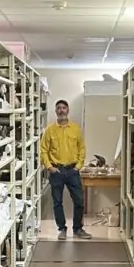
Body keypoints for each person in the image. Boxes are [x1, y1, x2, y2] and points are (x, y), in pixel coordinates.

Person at [40, 99, 92, 240]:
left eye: (64, 108)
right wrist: (49, 167)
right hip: (56, 171)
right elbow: (43, 150)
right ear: (56, 111)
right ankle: (62, 229)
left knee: (79, 201)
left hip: (72, 171)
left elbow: (82, 148)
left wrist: (78, 167)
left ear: (68, 110)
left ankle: (78, 229)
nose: (61, 110)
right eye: (59, 108)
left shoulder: (75, 129)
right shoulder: (50, 130)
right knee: (57, 202)